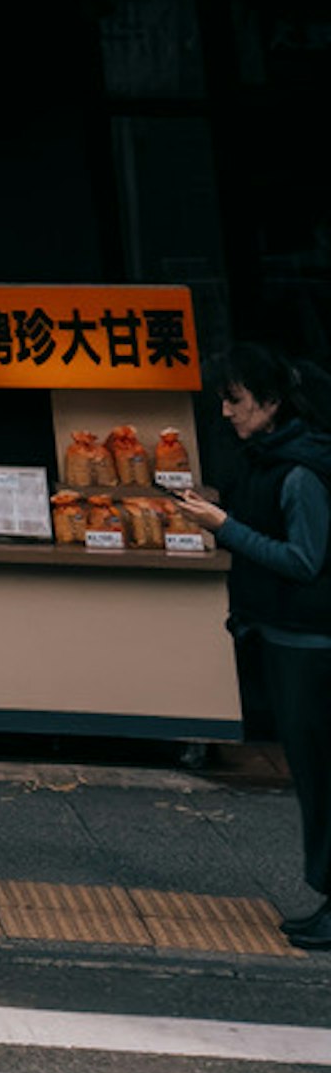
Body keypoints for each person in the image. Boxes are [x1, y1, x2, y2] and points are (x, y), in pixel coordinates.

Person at [170, 346, 331, 948]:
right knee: (313, 775)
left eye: (235, 400)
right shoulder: (272, 461)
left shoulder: (300, 472)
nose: (225, 411)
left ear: (270, 404)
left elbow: (303, 559)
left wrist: (224, 528)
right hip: (287, 638)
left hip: (311, 646)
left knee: (322, 775)